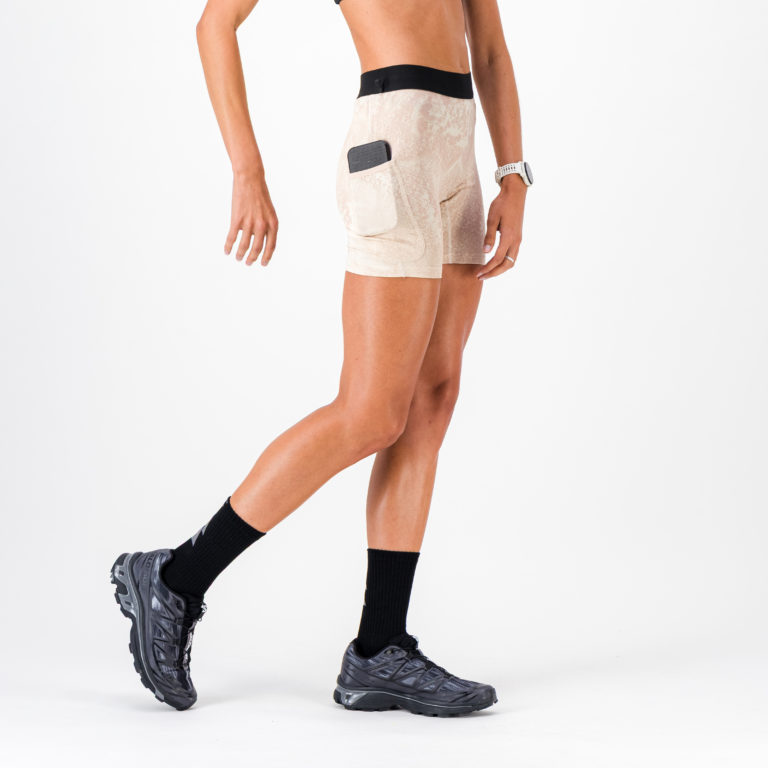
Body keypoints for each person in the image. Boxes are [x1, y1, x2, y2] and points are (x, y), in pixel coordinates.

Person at [110, 0, 532, 717]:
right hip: (394, 145)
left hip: (457, 148)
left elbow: (488, 48)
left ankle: (380, 649)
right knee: (370, 412)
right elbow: (215, 23)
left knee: (431, 403)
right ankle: (175, 579)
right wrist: (247, 170)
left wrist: (513, 174)